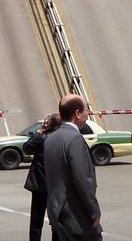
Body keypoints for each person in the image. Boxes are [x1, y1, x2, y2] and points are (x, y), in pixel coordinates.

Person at [44, 94, 102, 240]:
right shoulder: (75, 139)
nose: (88, 114)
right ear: (77, 113)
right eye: (86, 110)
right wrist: (94, 211)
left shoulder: (50, 139)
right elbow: (83, 179)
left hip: (57, 213)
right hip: (77, 217)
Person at [24, 113, 61, 241]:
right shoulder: (62, 137)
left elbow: (27, 148)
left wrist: (40, 130)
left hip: (40, 185)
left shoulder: (42, 137)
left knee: (36, 220)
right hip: (57, 186)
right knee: (57, 220)